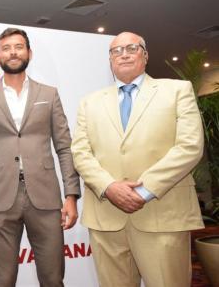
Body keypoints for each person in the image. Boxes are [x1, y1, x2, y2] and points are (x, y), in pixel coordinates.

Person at [71, 31, 204, 287]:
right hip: (106, 218)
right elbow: (80, 152)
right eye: (116, 51)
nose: (123, 54)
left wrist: (143, 191)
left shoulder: (177, 90)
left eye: (131, 48)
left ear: (145, 55)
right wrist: (109, 187)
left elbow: (189, 146)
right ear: (110, 61)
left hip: (162, 213)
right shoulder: (89, 103)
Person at [0, 27, 80, 287]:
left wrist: (71, 195)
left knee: (52, 277)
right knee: (2, 279)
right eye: (6, 48)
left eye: (18, 47)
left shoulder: (49, 94)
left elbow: (64, 146)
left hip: (46, 197)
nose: (13, 52)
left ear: (29, 53)